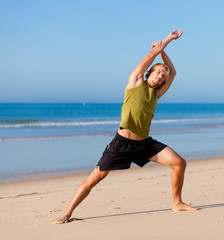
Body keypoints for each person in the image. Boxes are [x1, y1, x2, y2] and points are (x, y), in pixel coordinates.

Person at [52, 30, 198, 224]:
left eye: (163, 76)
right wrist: (167, 41)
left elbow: (174, 72)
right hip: (121, 143)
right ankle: (67, 213)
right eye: (158, 72)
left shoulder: (156, 95)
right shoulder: (135, 81)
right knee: (96, 177)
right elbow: (149, 55)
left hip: (144, 144)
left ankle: (177, 203)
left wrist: (164, 52)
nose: (161, 77)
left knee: (179, 163)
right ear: (150, 73)